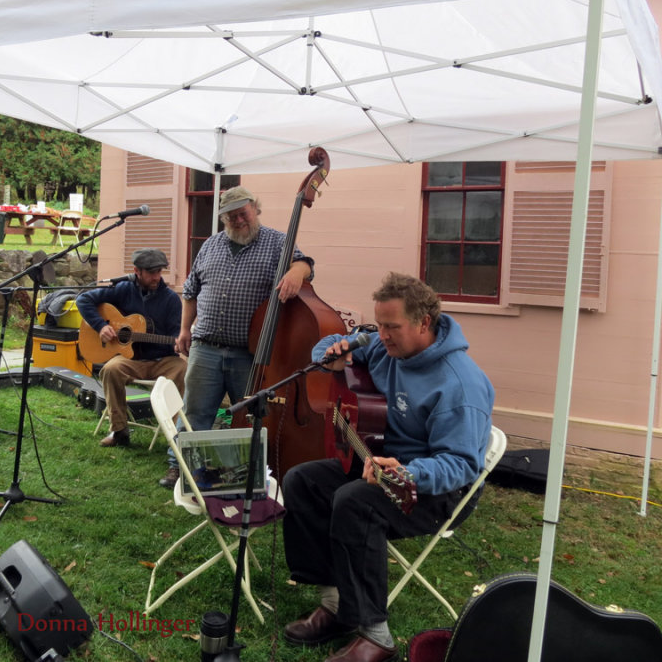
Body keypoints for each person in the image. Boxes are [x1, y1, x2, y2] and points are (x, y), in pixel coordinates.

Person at [281, 273, 494, 662]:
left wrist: (409, 473)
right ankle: (335, 605)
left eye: (391, 327)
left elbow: (462, 464)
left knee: (355, 502)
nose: (381, 335)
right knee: (301, 481)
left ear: (423, 323)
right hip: (374, 461)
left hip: (435, 488)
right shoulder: (384, 347)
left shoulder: (460, 385)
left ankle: (376, 637)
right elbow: (330, 345)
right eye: (378, 325)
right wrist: (332, 351)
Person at [161, 185, 314, 488]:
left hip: (250, 353)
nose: (238, 220)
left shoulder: (277, 243)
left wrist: (298, 271)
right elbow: (190, 292)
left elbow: (305, 263)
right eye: (230, 217)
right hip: (206, 347)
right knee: (195, 411)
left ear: (255, 208)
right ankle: (180, 467)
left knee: (248, 416)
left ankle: (244, 471)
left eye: (242, 213)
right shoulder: (210, 245)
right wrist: (184, 330)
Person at [76, 248, 186, 447]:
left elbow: (175, 335)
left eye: (159, 272)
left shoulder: (171, 299)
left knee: (183, 370)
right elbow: (83, 300)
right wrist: (101, 326)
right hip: (131, 359)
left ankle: (176, 437)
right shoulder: (123, 289)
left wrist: (179, 342)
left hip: (163, 359)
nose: (156, 277)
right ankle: (119, 430)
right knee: (110, 370)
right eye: (151, 273)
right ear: (137, 271)